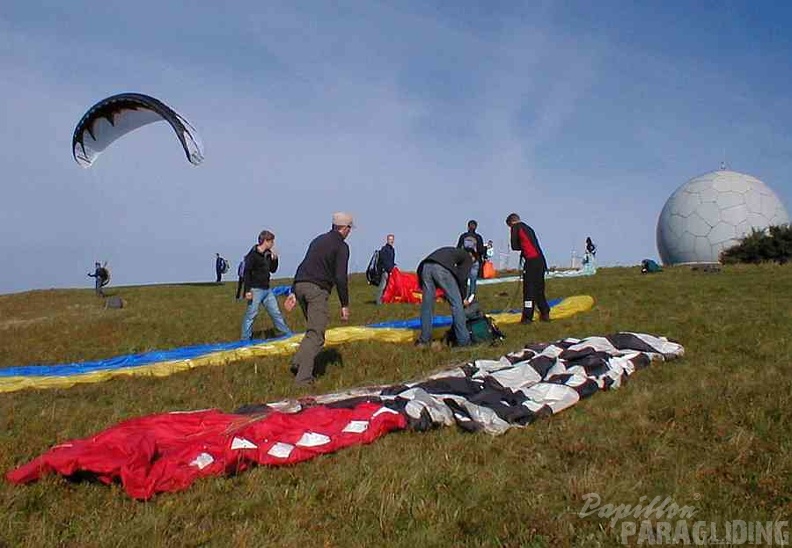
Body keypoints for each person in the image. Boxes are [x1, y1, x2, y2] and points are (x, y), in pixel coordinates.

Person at [285, 212, 353, 386]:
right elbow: (340, 277)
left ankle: (298, 363)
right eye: (350, 228)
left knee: (312, 331)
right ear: (344, 228)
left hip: (300, 285)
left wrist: (293, 290)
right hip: (316, 290)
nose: (350, 232)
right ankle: (303, 379)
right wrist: (344, 304)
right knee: (317, 335)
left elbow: (303, 264)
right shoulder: (341, 246)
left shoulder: (318, 240)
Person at [414, 246, 473, 348]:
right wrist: (463, 298)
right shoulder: (468, 257)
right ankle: (464, 341)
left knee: (427, 307)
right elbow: (462, 279)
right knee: (456, 305)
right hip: (440, 268)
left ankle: (424, 341)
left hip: (425, 267)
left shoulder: (452, 252)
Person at [240, 230, 292, 341]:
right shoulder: (253, 255)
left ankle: (287, 335)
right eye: (271, 241)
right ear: (265, 241)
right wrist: (247, 291)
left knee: (276, 313)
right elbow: (247, 273)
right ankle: (245, 339)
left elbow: (273, 270)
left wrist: (275, 259)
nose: (273, 244)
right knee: (251, 314)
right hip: (255, 290)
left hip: (267, 290)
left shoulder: (268, 255)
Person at [506, 213, 550, 323]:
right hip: (540, 260)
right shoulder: (528, 228)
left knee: (528, 289)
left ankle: (527, 317)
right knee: (539, 289)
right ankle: (545, 313)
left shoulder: (515, 228)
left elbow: (514, 246)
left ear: (511, 223)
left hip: (531, 262)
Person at [456, 219, 486, 298]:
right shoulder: (478, 237)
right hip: (475, 260)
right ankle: (471, 296)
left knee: (464, 280)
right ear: (476, 227)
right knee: (473, 280)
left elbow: (458, 248)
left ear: (468, 227)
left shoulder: (463, 236)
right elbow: (481, 250)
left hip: (464, 261)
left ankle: (463, 296)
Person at [376, 234, 396, 305]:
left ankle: (384, 299)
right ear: (387, 240)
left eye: (392, 239)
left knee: (387, 286)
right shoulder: (384, 249)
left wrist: (393, 266)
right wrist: (388, 269)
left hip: (390, 271)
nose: (391, 241)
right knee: (382, 286)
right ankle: (378, 301)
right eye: (390, 239)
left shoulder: (392, 250)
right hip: (385, 271)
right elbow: (384, 261)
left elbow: (391, 261)